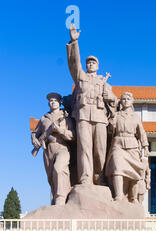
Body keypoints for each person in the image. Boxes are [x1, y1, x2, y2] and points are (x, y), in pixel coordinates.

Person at [66, 23, 117, 185]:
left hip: (99, 117)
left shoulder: (104, 82)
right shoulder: (81, 76)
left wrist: (108, 95)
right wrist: (74, 43)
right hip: (83, 115)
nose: (90, 64)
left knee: (100, 149)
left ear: (98, 66)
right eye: (88, 63)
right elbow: (74, 63)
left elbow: (114, 101)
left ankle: (99, 177)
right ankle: (86, 177)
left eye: (93, 63)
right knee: (84, 148)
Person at [31, 93, 75, 205]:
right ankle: (55, 199)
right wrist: (34, 140)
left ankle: (61, 197)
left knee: (59, 169)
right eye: (51, 100)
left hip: (62, 147)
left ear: (59, 102)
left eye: (55, 100)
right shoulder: (44, 118)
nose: (53, 102)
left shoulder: (65, 117)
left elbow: (73, 135)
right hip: (48, 149)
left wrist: (60, 130)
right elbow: (35, 133)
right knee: (51, 177)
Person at [105, 92, 149, 202]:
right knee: (117, 168)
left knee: (135, 172)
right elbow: (110, 132)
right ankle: (118, 195)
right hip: (118, 144)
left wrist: (145, 146)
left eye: (128, 99)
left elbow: (141, 132)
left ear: (132, 101)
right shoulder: (117, 115)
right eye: (123, 99)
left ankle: (133, 197)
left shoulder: (135, 117)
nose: (125, 100)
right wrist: (111, 122)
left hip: (132, 145)